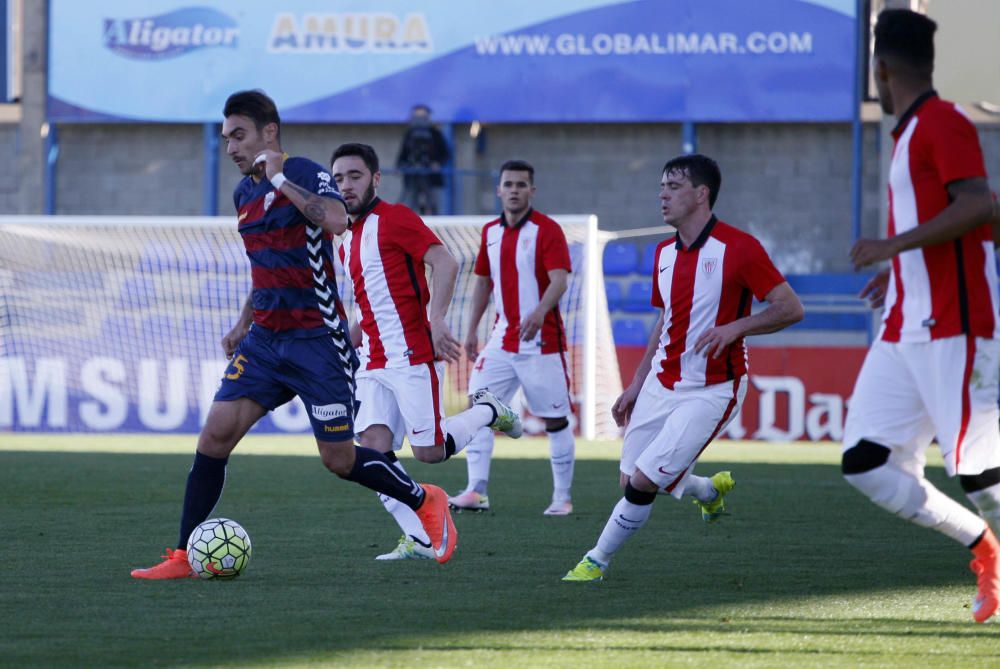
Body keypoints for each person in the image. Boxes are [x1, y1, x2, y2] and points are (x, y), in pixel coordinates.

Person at [131, 91, 457, 579]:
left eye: (238, 136)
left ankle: (424, 498)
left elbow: (338, 220)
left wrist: (280, 176)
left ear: (269, 133)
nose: (231, 148)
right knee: (214, 436)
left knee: (340, 460)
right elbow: (264, 265)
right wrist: (243, 323)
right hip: (265, 340)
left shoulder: (304, 173)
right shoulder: (243, 196)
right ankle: (182, 556)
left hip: (317, 342)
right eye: (225, 139)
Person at [562, 154, 804, 582]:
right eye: (661, 186)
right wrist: (637, 384)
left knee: (641, 485)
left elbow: (790, 308)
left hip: (713, 388)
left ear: (701, 194)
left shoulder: (740, 248)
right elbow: (666, 320)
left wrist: (735, 328)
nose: (662, 194)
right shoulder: (662, 254)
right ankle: (707, 490)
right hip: (660, 382)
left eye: (673, 186)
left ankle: (594, 562)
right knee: (630, 482)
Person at [843, 9, 1000, 624]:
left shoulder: (943, 122)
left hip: (955, 323)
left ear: (882, 71)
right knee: (866, 463)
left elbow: (979, 206)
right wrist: (897, 269)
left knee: (978, 471)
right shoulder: (907, 135)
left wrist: (891, 248)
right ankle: (985, 549)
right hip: (906, 325)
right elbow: (946, 221)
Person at [329, 143, 522, 561]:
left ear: (376, 178)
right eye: (339, 178)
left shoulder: (395, 218)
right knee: (372, 453)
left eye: (355, 176)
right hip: (374, 362)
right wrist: (355, 330)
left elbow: (446, 263)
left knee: (430, 453)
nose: (346, 185)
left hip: (411, 354)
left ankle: (488, 411)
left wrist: (436, 321)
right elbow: (370, 296)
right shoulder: (344, 240)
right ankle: (418, 536)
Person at [447, 160, 578, 516]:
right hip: (502, 340)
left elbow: (560, 280)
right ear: (499, 189)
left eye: (522, 184)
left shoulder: (547, 230)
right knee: (479, 409)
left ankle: (562, 498)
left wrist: (538, 312)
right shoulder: (490, 231)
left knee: (556, 421)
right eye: (509, 184)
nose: (515, 189)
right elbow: (484, 283)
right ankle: (477, 490)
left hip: (542, 343)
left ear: (532, 191)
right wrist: (472, 329)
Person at [396, 104, 450, 215]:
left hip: (432, 179)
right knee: (409, 206)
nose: (419, 119)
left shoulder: (436, 134)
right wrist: (400, 166)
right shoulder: (409, 134)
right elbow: (403, 154)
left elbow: (445, 154)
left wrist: (437, 164)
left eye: (422, 116)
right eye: (417, 116)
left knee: (434, 205)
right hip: (412, 177)